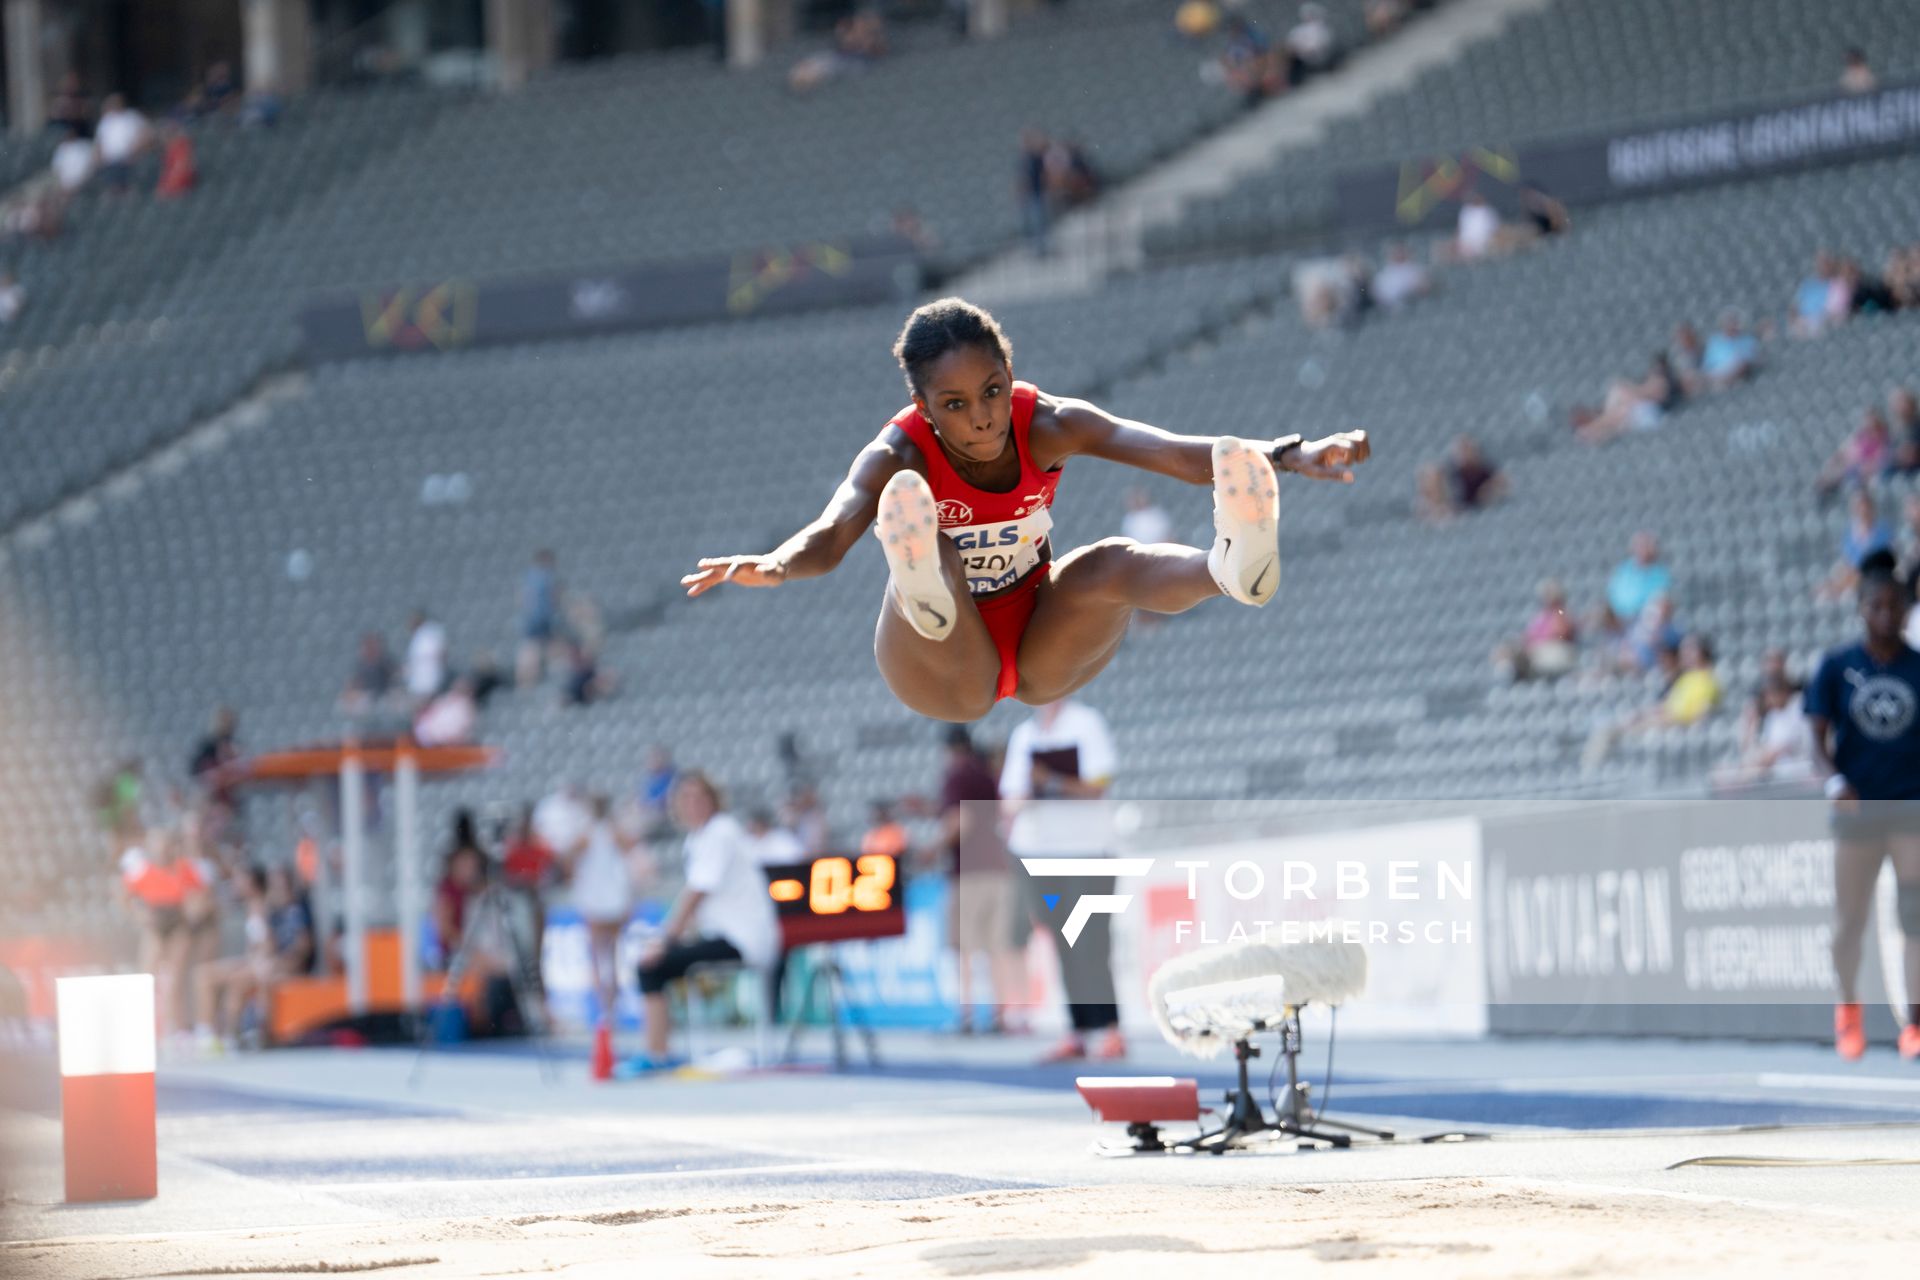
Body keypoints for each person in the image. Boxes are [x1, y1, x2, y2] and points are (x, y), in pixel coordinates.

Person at [679, 298, 1369, 722]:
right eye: (954, 406)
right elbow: (830, 539)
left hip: (1042, 640)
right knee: (932, 545)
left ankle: (1228, 569)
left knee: (1109, 564)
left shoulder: (1050, 422)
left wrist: (1286, 455)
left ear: (1009, 374)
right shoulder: (897, 457)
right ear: (924, 408)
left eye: (991, 390)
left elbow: (1175, 453)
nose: (982, 418)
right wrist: (771, 564)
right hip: (941, 673)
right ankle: (925, 590)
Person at [1805, 550, 1920, 1060]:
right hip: (1857, 810)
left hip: (1909, 806)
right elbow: (1816, 738)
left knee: (1914, 916)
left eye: (1895, 606)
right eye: (1877, 605)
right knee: (1850, 921)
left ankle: (1915, 1023)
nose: (1886, 615)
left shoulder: (1918, 667)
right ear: (1862, 608)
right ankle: (1848, 1005)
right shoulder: (1836, 667)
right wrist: (1834, 781)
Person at [1001, 698, 1123, 1062]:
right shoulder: (1023, 735)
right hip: (1039, 855)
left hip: (1087, 851)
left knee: (1091, 940)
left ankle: (1111, 1028)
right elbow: (1009, 800)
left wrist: (1052, 781)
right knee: (1063, 941)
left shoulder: (1086, 723)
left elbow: (1097, 786)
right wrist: (1029, 793)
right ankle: (1078, 1029)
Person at [631, 772, 780, 1072]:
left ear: (714, 800)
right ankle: (658, 1050)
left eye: (699, 797)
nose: (693, 804)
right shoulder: (699, 839)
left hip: (743, 938)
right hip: (725, 934)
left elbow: (697, 893)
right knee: (659, 963)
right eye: (686, 798)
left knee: (652, 965)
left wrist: (666, 939)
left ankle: (656, 1054)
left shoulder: (720, 832)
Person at [939, 725, 1019, 1035]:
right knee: (996, 946)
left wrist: (934, 848)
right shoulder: (988, 775)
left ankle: (967, 1015)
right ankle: (1001, 1015)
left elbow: (961, 822)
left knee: (966, 948)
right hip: (998, 868)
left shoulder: (957, 776)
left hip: (969, 872)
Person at [194, 865, 312, 1052]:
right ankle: (213, 1032)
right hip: (263, 961)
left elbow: (297, 946)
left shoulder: (290, 909)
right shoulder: (270, 909)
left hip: (280, 964)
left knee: (239, 981)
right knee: (209, 975)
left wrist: (279, 961)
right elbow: (262, 946)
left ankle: (234, 1034)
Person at [564, 795, 641, 1047]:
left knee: (601, 957)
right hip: (606, 897)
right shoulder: (607, 832)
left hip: (604, 898)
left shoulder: (594, 833)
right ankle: (608, 1008)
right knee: (609, 957)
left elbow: (569, 857)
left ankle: (606, 1010)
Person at [93, 94, 152, 193]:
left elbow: (147, 135)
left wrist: (135, 151)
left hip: (130, 160)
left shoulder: (132, 116)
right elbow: (99, 143)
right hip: (109, 162)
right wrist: (98, 159)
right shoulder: (106, 120)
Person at [1701, 311, 1758, 389]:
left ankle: (1724, 383)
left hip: (1738, 369)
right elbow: (1708, 363)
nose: (1731, 326)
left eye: (1734, 323)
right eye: (1728, 323)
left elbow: (1750, 359)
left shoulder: (1747, 339)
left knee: (1738, 362)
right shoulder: (1715, 341)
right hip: (1718, 370)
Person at [404, 609, 448, 703]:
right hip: (419, 680)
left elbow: (441, 654)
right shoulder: (418, 636)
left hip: (430, 679)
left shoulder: (431, 633)